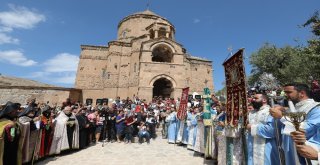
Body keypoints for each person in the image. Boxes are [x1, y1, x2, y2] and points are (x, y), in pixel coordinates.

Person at [270, 83, 320, 165]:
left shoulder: (316, 108)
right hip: (289, 153)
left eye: (289, 92)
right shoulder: (292, 108)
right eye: (285, 92)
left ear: (302, 93)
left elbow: (307, 128)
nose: (286, 95)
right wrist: (283, 110)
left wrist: (282, 116)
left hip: (306, 154)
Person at [246, 93, 280, 165]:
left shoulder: (270, 111)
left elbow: (271, 130)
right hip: (251, 146)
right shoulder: (251, 113)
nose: (253, 100)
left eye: (256, 98)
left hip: (266, 147)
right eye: (253, 98)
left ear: (264, 100)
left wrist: (252, 127)